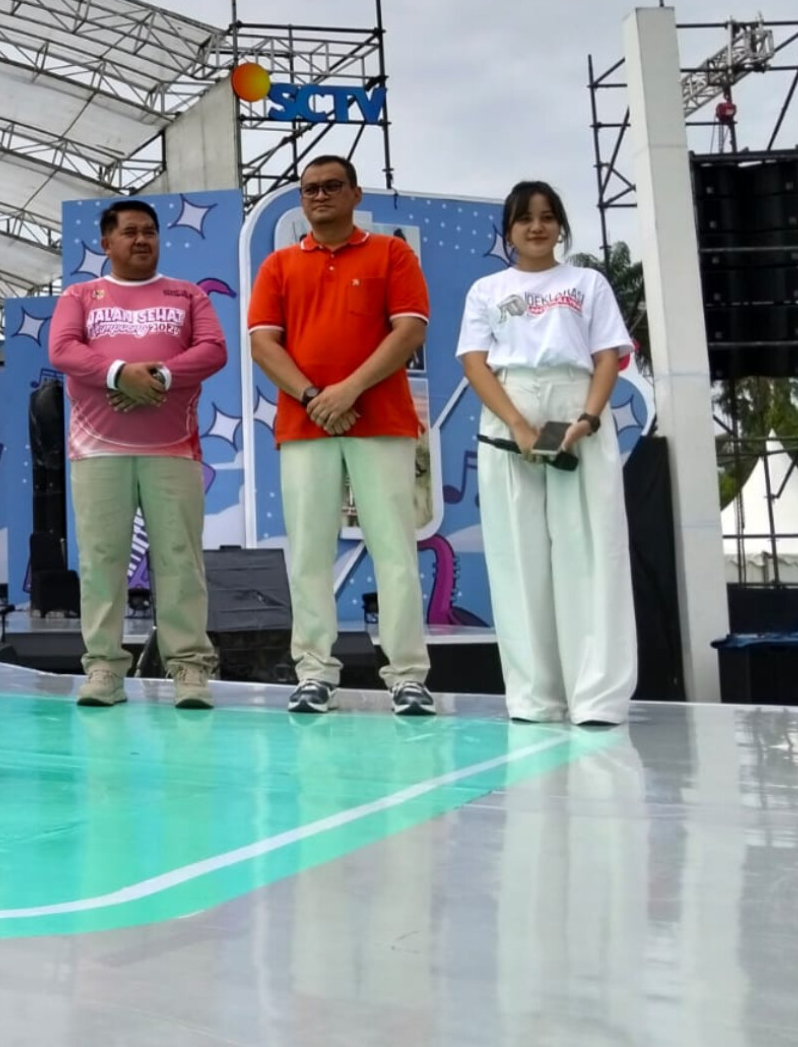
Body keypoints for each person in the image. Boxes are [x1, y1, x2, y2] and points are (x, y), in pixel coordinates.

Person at [246, 156, 434, 716]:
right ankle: (313, 671)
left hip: (382, 423)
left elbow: (410, 330)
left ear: (355, 194)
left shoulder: (391, 254)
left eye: (332, 186)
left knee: (395, 550)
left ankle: (408, 675)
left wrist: (348, 391)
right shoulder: (278, 265)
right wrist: (315, 398)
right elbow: (263, 344)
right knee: (309, 552)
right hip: (306, 426)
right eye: (310, 189)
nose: (320, 195)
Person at [457, 182, 637, 726]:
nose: (537, 227)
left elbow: (607, 356)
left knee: (591, 552)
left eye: (547, 216)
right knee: (517, 557)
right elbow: (474, 362)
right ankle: (535, 698)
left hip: (575, 404)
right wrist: (517, 425)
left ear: (560, 225)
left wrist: (588, 418)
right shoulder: (487, 289)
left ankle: (596, 697)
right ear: (508, 230)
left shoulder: (587, 283)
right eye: (524, 218)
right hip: (510, 404)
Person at [49, 198, 228, 709]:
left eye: (149, 231)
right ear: (106, 242)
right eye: (129, 232)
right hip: (97, 451)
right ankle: (104, 668)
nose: (142, 239)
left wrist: (160, 376)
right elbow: (62, 349)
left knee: (179, 557)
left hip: (173, 449)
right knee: (102, 559)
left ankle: (189, 667)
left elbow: (213, 349)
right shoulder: (81, 295)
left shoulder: (187, 294)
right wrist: (118, 374)